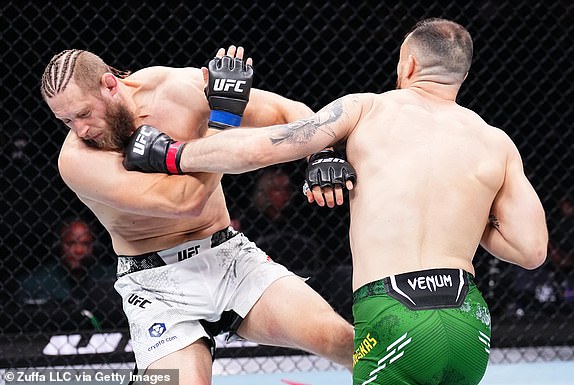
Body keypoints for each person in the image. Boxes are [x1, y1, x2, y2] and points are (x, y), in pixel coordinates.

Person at [123, 18, 549, 384]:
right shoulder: (497, 143)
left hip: (395, 310)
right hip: (468, 322)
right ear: (462, 74)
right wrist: (469, 214)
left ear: (409, 63)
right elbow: (530, 250)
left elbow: (264, 148)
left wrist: (173, 153)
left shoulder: (365, 109)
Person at [40, 47, 354, 384]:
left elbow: (287, 112)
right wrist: (224, 122)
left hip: (227, 255)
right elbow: (185, 201)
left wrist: (320, 154)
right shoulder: (76, 160)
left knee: (339, 340)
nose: (81, 129)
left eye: (84, 113)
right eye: (66, 121)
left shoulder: (174, 89)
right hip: (155, 285)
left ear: (110, 84)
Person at [16, 218, 119, 331]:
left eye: (85, 244)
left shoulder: (110, 277)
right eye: (71, 243)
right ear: (58, 244)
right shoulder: (37, 282)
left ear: (94, 247)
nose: (78, 250)